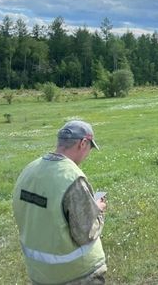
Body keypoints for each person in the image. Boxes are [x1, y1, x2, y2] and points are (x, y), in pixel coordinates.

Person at [13, 120, 107, 285]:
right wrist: (97, 210)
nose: (88, 154)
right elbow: (86, 234)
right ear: (83, 143)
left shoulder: (29, 170)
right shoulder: (71, 178)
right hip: (77, 275)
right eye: (90, 148)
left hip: (39, 274)